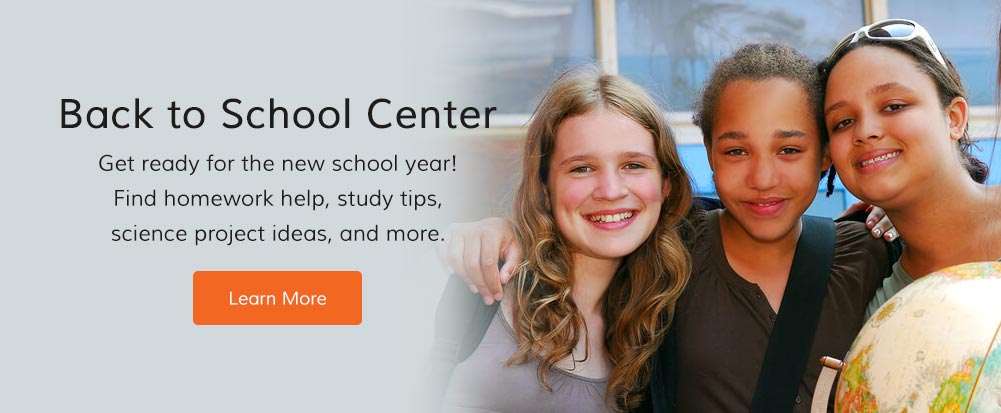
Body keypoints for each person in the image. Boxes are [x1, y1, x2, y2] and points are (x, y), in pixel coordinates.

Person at [443, 44, 899, 413]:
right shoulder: (668, 255)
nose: (763, 178)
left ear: (825, 156)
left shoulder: (873, 249)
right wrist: (499, 231)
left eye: (789, 151)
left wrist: (897, 208)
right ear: (709, 156)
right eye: (736, 152)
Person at [435, 66, 694, 412]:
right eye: (581, 168)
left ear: (666, 185)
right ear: (545, 188)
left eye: (633, 165)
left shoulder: (660, 317)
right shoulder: (475, 273)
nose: (611, 191)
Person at [819, 19, 1000, 290]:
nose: (865, 131)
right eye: (843, 122)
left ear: (953, 118)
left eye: (893, 106)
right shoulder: (864, 298)